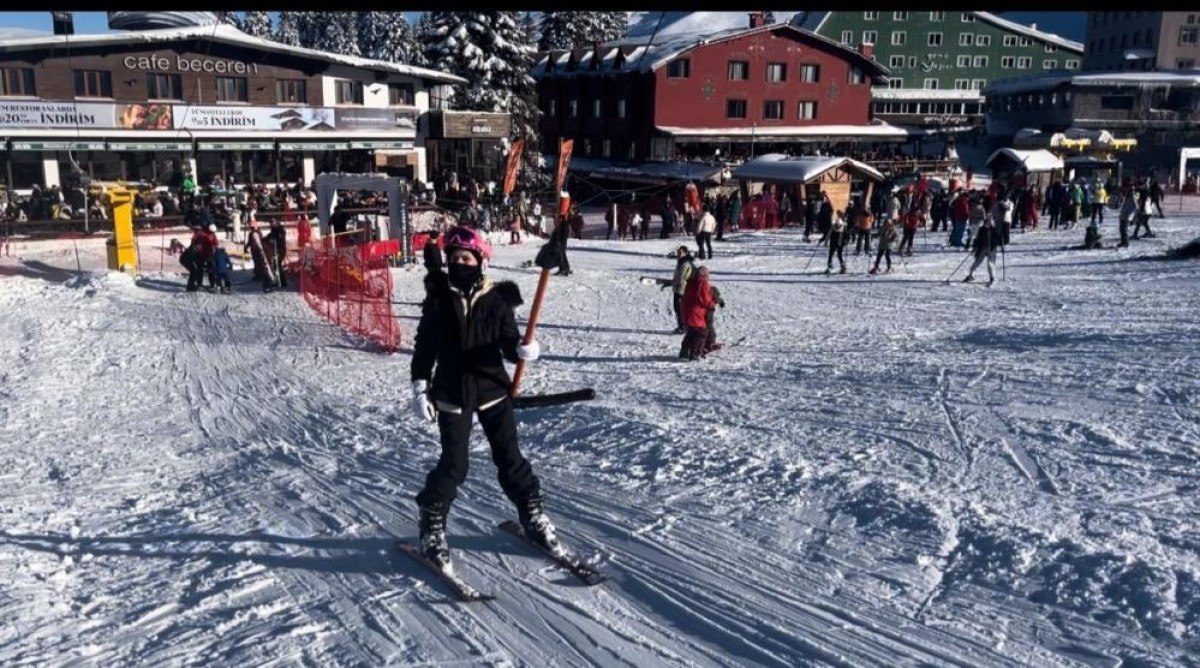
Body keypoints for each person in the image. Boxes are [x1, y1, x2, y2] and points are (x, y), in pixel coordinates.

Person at [410, 225, 559, 570]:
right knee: (454, 466)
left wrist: (522, 349)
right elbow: (424, 348)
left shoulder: (497, 299)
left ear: (480, 260)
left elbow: (509, 343)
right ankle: (431, 520)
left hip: (493, 390)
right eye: (455, 258)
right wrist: (420, 385)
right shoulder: (439, 300)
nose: (461, 264)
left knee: (511, 459)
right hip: (452, 392)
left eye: (467, 257)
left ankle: (532, 514)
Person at [678, 265, 717, 361]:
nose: (709, 276)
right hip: (695, 312)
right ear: (704, 275)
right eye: (708, 274)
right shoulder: (702, 283)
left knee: (692, 331)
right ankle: (695, 353)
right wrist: (712, 304)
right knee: (701, 332)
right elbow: (706, 299)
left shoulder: (691, 282)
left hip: (686, 310)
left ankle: (684, 351)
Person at [667, 245, 697, 334]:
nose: (678, 254)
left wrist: (671, 283)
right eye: (678, 252)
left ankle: (683, 327)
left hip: (682, 290)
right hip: (678, 288)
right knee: (678, 308)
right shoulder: (680, 262)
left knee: (680, 309)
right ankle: (682, 326)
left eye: (680, 252)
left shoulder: (685, 264)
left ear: (685, 253)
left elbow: (681, 279)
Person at [963, 216, 1002, 286]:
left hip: (991, 249)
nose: (988, 223)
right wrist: (975, 247)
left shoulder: (994, 230)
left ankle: (992, 278)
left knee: (990, 264)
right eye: (987, 222)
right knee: (977, 262)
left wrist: (1000, 242)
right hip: (982, 249)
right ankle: (970, 275)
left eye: (990, 222)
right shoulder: (982, 229)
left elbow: (998, 239)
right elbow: (977, 239)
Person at [265, 219, 288, 288]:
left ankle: (283, 281)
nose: (271, 225)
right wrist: (265, 239)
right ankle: (278, 281)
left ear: (275, 222)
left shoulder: (280, 229)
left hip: (281, 250)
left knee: (278, 265)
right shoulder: (274, 229)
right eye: (270, 223)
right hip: (277, 249)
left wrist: (275, 237)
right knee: (275, 265)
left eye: (272, 223)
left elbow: (280, 236)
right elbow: (270, 236)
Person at [826, 209, 848, 274]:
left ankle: (843, 266)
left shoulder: (844, 228)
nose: (838, 227)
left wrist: (846, 241)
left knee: (839, 255)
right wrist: (824, 241)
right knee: (830, 254)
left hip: (840, 243)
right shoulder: (833, 226)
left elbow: (847, 236)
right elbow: (828, 234)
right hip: (833, 242)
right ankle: (830, 266)